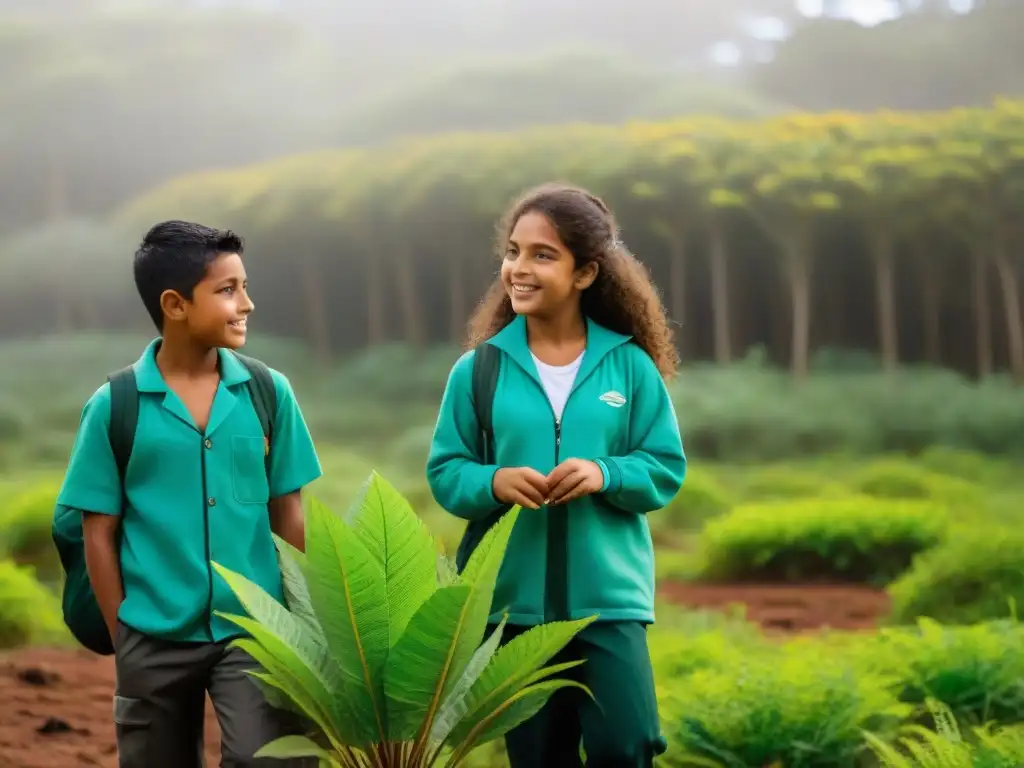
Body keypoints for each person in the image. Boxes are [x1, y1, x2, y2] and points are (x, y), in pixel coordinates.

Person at [426, 182, 687, 767]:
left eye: (542, 255)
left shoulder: (630, 365)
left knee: (630, 744)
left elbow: (665, 468)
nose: (519, 268)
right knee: (539, 757)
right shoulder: (479, 370)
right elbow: (446, 472)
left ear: (585, 273)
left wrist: (604, 472)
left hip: (610, 603)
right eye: (513, 251)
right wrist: (493, 482)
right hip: (513, 609)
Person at [56, 221, 322, 768]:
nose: (246, 303)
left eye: (244, 286)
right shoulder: (114, 406)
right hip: (151, 632)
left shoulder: (270, 392)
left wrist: (300, 619)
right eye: (228, 290)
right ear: (175, 305)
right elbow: (97, 532)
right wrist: (122, 631)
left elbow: (288, 511)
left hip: (255, 629)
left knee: (271, 759)